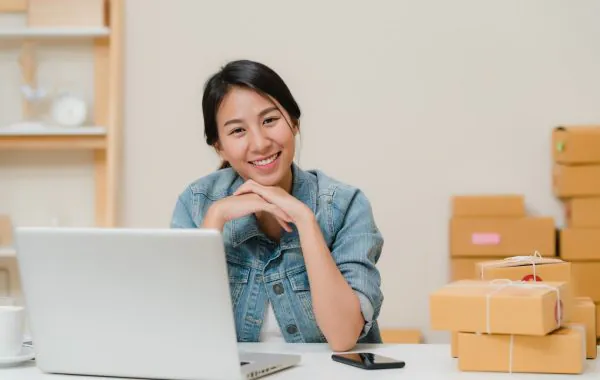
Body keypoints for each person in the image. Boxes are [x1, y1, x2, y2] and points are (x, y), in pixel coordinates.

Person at [170, 59, 384, 351]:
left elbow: (344, 336)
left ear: (294, 122)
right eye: (237, 131)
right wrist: (216, 218)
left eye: (270, 120)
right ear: (219, 145)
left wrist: (305, 220)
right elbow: (183, 329)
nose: (259, 143)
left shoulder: (345, 206)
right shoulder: (197, 202)